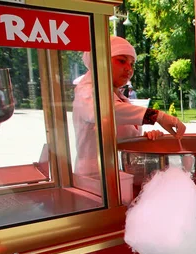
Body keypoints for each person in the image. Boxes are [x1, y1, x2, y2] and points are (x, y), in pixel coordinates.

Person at [73, 36, 186, 175]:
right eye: (121, 61)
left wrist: (146, 139)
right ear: (101, 62)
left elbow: (123, 136)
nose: (129, 69)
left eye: (132, 64)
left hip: (119, 174)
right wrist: (157, 116)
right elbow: (104, 111)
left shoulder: (120, 98)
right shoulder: (86, 91)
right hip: (94, 177)